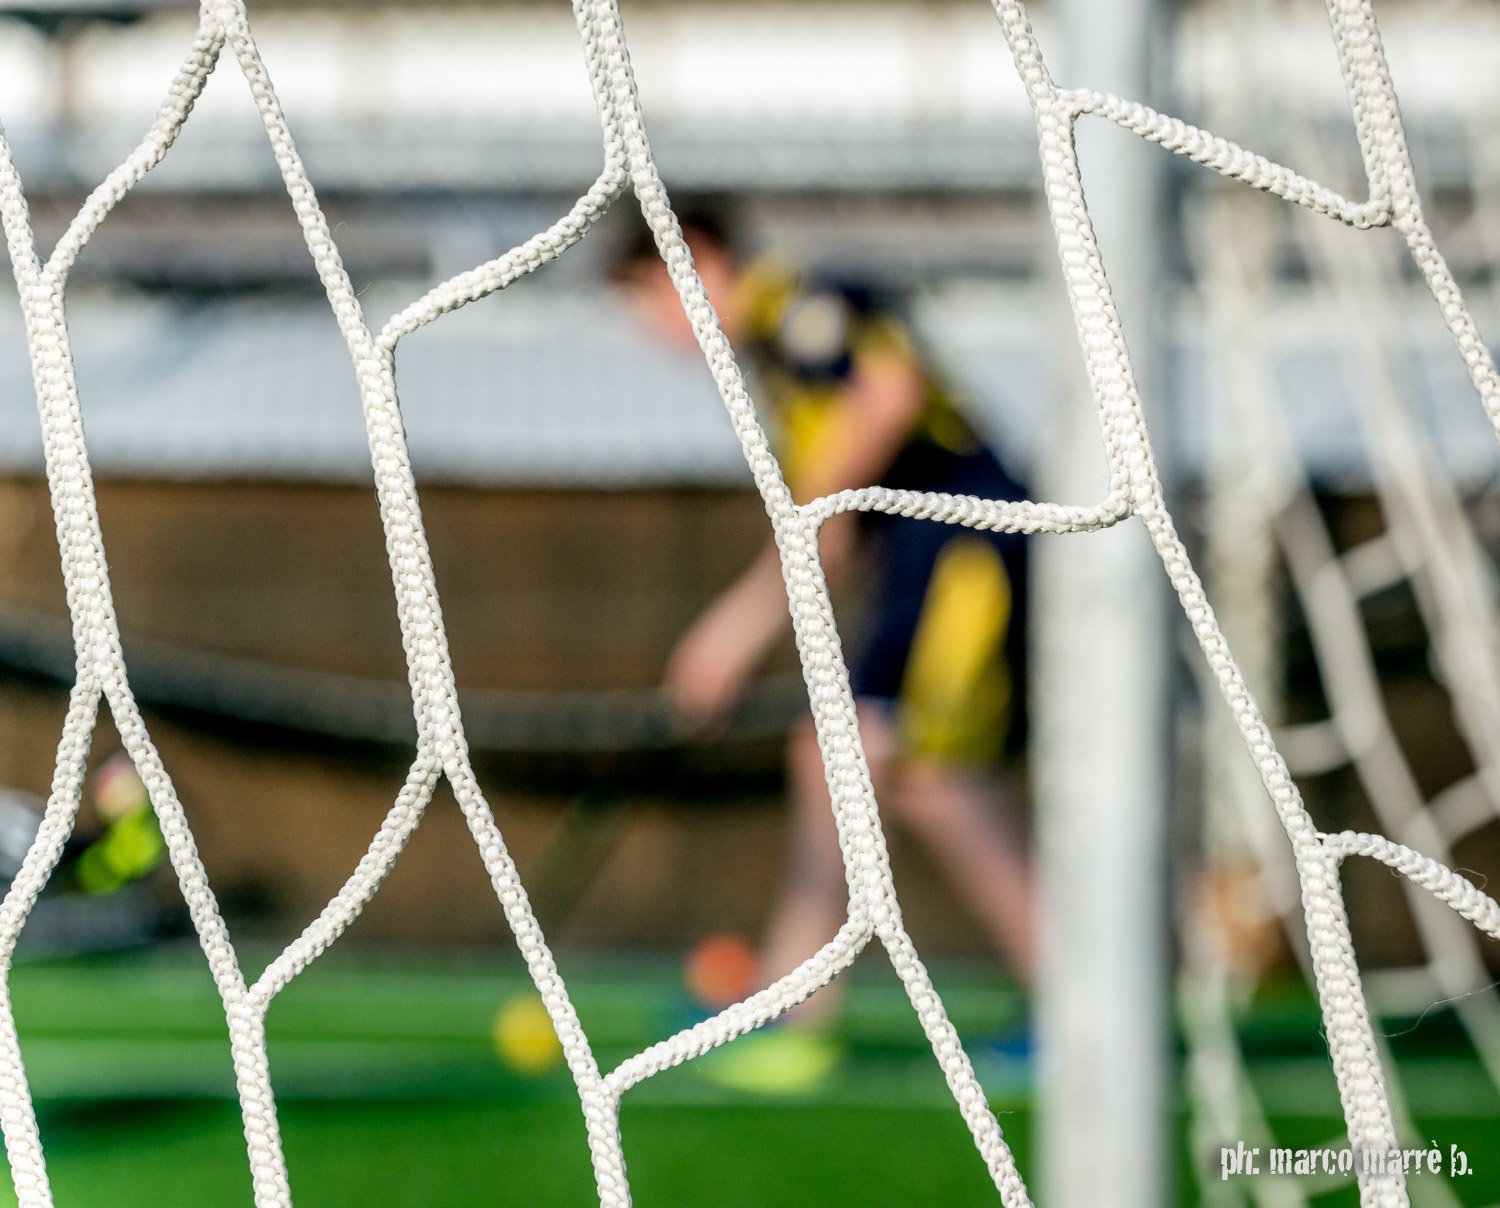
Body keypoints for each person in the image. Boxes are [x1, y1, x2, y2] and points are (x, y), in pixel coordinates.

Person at [615, 210, 1035, 1031]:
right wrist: (739, 632)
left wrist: (734, 628)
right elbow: (830, 531)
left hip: (964, 552)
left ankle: (799, 1010)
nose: (645, 327)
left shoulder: (795, 306)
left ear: (694, 259)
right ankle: (800, 1002)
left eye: (643, 297)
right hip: (928, 562)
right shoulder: (771, 360)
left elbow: (888, 392)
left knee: (866, 757)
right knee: (893, 771)